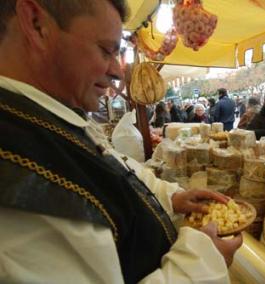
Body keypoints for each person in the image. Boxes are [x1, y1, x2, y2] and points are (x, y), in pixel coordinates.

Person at [0, 1, 242, 283]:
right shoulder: (19, 168)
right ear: (35, 23)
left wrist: (171, 198)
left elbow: (113, 167)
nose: (117, 71)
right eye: (106, 50)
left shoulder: (51, 118)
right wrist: (204, 259)